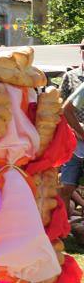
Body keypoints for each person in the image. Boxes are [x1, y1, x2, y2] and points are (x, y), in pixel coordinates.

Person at [60, 38, 84, 215]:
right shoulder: (71, 76)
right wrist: (76, 131)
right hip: (73, 138)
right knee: (66, 185)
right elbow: (61, 107)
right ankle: (63, 225)